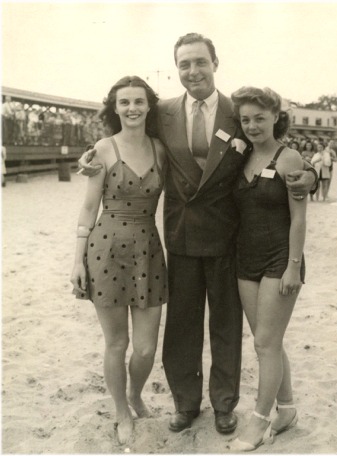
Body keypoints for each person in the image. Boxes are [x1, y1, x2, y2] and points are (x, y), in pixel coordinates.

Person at [77, 32, 317, 435]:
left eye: (200, 62)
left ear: (215, 63)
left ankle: (224, 405)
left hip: (229, 237)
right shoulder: (163, 111)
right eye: (184, 64)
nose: (193, 71)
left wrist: (308, 173)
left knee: (226, 325)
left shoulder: (236, 110)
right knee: (182, 326)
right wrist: (91, 155)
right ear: (177, 69)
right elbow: (124, 130)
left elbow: (273, 144)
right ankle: (185, 403)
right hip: (179, 236)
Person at [70, 76, 168, 446]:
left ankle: (135, 393)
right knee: (116, 344)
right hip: (105, 249)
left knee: (145, 348)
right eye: (124, 102)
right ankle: (121, 411)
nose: (132, 108)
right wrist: (77, 262)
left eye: (139, 102)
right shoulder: (104, 148)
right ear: (114, 108)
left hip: (148, 249)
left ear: (149, 106)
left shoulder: (160, 149)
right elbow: (88, 208)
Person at [229, 86, 307, 451]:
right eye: (245, 119)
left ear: (276, 116)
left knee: (265, 342)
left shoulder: (288, 158)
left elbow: (299, 219)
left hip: (280, 259)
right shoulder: (239, 156)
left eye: (260, 118)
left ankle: (259, 420)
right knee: (268, 342)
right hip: (246, 261)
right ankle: (287, 409)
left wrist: (293, 268)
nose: (252, 125)